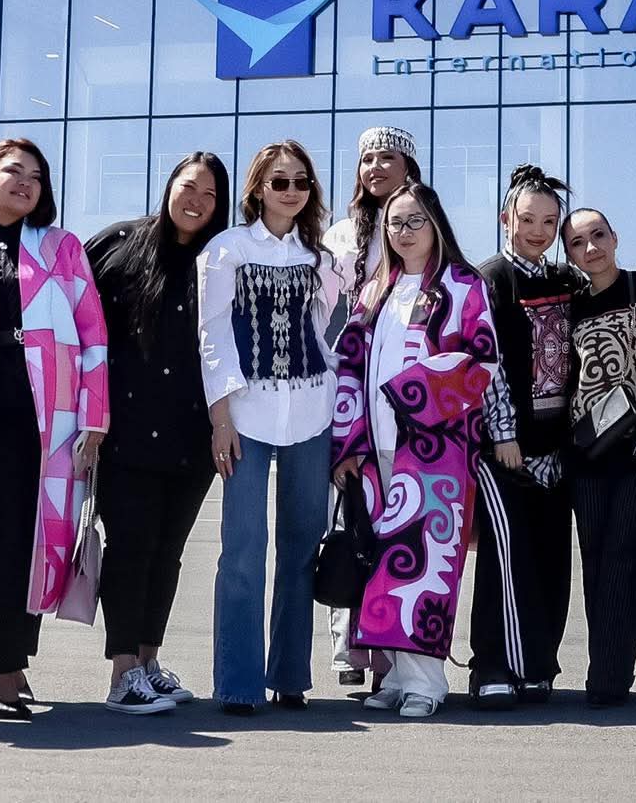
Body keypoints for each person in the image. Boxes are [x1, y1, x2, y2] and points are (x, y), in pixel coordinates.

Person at [0, 138, 109, 720]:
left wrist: (95, 418)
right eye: (13, 170)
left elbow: (93, 336)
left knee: (37, 541)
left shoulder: (62, 248)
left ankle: (14, 657)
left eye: (36, 174)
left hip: (49, 420)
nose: (26, 181)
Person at [330, 181, 501, 719]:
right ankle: (397, 676)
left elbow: (482, 361)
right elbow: (349, 365)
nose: (404, 232)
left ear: (435, 224)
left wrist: (411, 395)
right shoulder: (374, 292)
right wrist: (348, 442)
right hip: (375, 448)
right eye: (395, 223)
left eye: (414, 221)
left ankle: (427, 682)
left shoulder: (463, 286)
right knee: (383, 560)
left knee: (424, 563)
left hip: (435, 450)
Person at [199, 141, 343, 714]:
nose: (291, 191)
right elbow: (212, 334)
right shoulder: (226, 249)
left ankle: (290, 677)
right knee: (242, 548)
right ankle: (238, 682)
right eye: (279, 181)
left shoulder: (320, 257)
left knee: (302, 546)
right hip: (246, 416)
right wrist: (220, 417)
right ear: (258, 187)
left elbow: (328, 331)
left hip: (312, 412)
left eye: (301, 182)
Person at [84, 151, 228, 715]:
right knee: (131, 546)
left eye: (210, 194)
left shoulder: (220, 259)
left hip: (191, 434)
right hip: (125, 432)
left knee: (168, 552)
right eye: (189, 187)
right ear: (170, 186)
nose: (197, 201)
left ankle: (147, 662)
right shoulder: (118, 244)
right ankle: (122, 673)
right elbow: (76, 322)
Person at [470, 163, 583, 708]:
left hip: (557, 449)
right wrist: (503, 433)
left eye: (549, 222)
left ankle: (538, 663)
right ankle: (492, 666)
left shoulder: (565, 280)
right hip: (506, 451)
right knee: (505, 557)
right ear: (505, 219)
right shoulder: (489, 279)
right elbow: (485, 362)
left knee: (551, 559)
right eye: (528, 219)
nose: (538, 231)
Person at [322, 125, 422, 687]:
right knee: (349, 518)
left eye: (388, 157)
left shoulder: (421, 230)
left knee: (396, 526)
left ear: (409, 168)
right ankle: (349, 646)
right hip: (345, 391)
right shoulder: (339, 236)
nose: (376, 167)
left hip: (402, 402)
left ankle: (390, 651)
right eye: (368, 159)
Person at [559, 207, 636, 708]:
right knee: (595, 560)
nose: (591, 247)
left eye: (598, 235)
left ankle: (609, 677)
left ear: (615, 237)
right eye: (578, 242)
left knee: (627, 558)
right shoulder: (568, 306)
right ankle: (606, 666)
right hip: (586, 453)